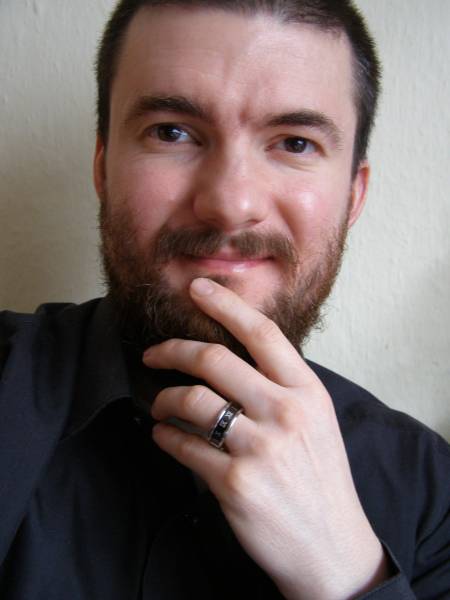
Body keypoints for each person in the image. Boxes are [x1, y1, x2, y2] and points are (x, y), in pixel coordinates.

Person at [0, 0, 448, 598]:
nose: (230, 204)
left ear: (353, 196)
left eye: (295, 142)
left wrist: (349, 574)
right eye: (171, 132)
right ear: (103, 168)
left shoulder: (433, 495)